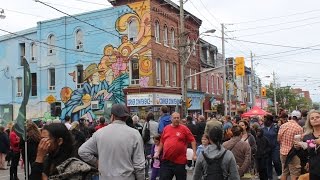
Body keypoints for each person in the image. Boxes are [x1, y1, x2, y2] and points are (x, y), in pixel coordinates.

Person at [78, 103, 145, 180]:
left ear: (112, 116)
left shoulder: (100, 133)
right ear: (126, 117)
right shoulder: (134, 134)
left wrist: (97, 163)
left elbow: (82, 151)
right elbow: (139, 165)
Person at [29, 123, 97, 180]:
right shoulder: (47, 159)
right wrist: (39, 158)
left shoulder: (75, 164)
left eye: (45, 140)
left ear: (59, 141)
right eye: (41, 139)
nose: (41, 144)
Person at [154, 112, 197, 180]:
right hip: (167, 161)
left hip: (180, 162)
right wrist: (158, 152)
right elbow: (162, 141)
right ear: (171, 119)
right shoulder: (166, 128)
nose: (176, 119)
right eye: (174, 118)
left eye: (178, 118)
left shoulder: (184, 128)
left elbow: (192, 140)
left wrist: (194, 153)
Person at [294, 110, 320, 179]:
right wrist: (298, 148)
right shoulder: (307, 137)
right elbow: (305, 155)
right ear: (309, 122)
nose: (315, 119)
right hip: (314, 170)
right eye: (312, 118)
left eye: (317, 117)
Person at [278, 110, 303, 180]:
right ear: (299, 118)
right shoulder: (299, 128)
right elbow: (298, 144)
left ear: (291, 117)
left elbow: (278, 139)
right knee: (294, 173)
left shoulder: (283, 126)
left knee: (284, 172)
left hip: (282, 152)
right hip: (293, 154)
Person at [262, 114, 282, 180]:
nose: (264, 121)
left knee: (276, 161)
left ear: (270, 120)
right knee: (268, 163)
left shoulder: (276, 127)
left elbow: (280, 137)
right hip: (266, 149)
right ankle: (269, 177)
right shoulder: (262, 128)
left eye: (265, 119)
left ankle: (279, 174)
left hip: (275, 147)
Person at [142, 112, 159, 179]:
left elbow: (143, 133)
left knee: (147, 160)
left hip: (148, 143)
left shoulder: (146, 123)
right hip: (155, 143)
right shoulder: (157, 124)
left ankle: (147, 175)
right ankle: (156, 174)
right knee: (155, 159)